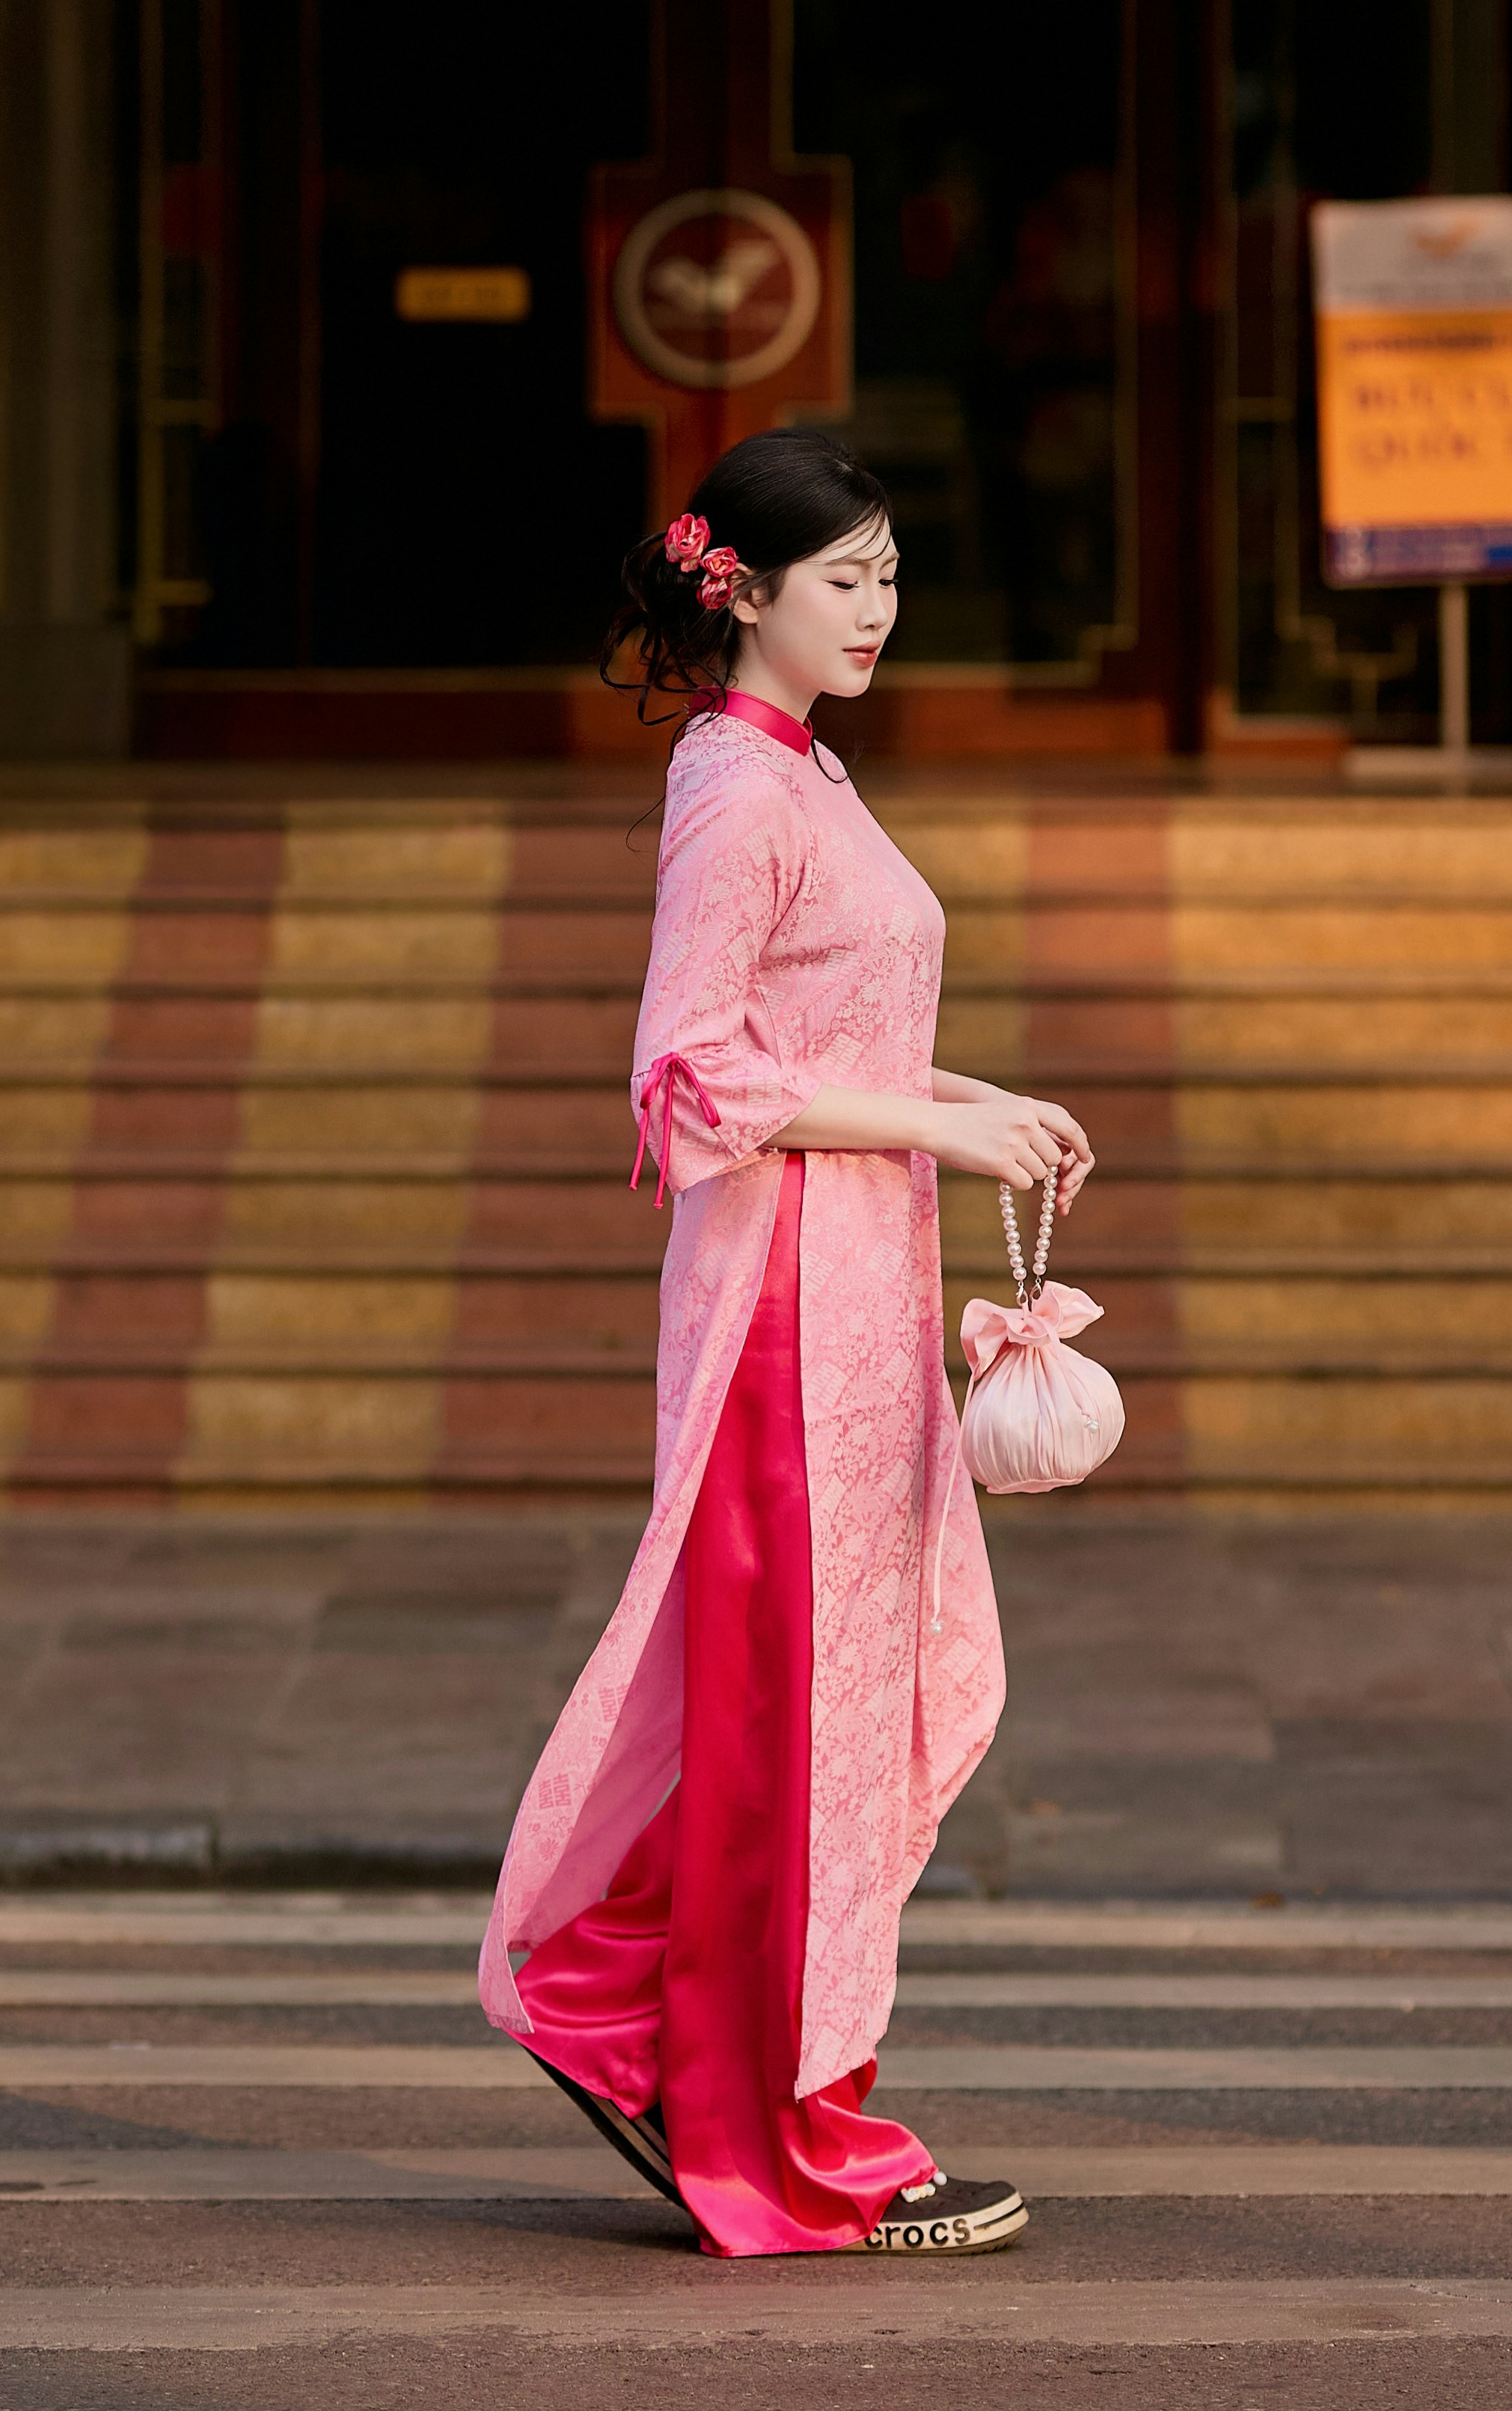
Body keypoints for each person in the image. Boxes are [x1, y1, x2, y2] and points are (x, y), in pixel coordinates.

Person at [477, 426, 1092, 2259]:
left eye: (891, 575)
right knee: (786, 1731)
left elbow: (828, 1033)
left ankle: (641, 2019)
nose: (879, 610)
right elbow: (692, 1074)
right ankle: (769, 2126)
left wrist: (984, 1100)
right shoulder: (735, 787)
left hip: (853, 1307)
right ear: (739, 589)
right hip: (779, 1320)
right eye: (845, 580)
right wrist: (942, 1126)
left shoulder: (799, 769)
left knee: (832, 1718)